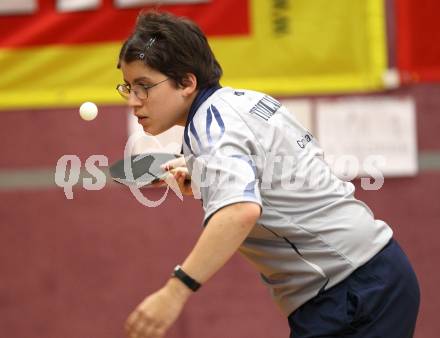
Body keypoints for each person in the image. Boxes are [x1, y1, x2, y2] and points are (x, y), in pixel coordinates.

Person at [116, 10, 420, 338]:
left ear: (187, 82)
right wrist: (206, 173)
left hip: (352, 291)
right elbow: (281, 171)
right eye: (129, 87)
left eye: (144, 87)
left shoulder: (212, 128)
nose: (133, 101)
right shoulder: (245, 102)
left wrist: (175, 291)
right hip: (371, 276)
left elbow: (239, 211)